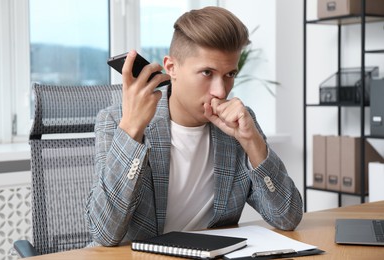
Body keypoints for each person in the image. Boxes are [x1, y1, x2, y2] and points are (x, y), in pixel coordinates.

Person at [85, 6, 303, 246]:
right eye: (207, 72)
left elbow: (287, 217)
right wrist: (131, 131)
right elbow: (104, 233)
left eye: (230, 74)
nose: (221, 91)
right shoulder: (117, 121)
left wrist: (253, 144)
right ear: (171, 68)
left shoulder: (239, 124)